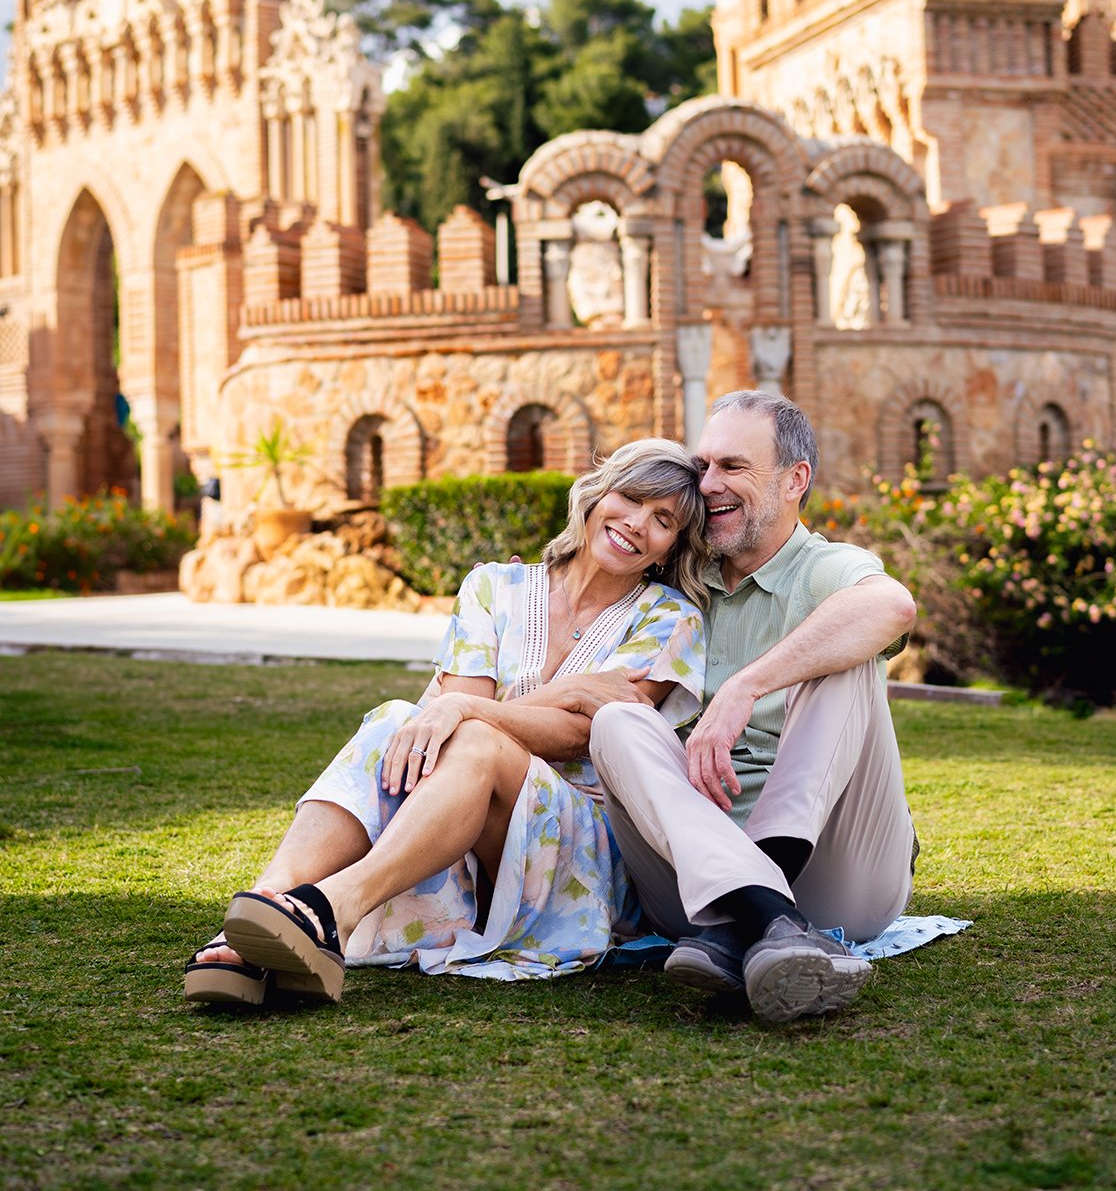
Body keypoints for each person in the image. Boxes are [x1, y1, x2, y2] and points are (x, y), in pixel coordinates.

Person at [184, 438, 709, 1007]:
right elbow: (445, 722)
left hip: (582, 839)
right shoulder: (494, 586)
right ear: (596, 493)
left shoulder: (671, 619)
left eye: (662, 521)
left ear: (669, 549)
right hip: (461, 819)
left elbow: (583, 735)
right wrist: (564, 692)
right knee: (397, 721)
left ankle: (330, 910)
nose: (636, 524)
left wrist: (468, 708)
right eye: (630, 498)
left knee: (473, 736)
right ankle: (263, 911)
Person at [589, 391, 918, 1025]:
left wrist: (747, 685)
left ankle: (765, 920)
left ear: (796, 480)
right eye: (704, 466)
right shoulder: (676, 581)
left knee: (845, 654)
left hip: (834, 876)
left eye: (732, 467)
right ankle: (772, 926)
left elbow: (892, 608)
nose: (707, 485)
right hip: (693, 888)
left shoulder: (826, 569)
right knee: (616, 720)